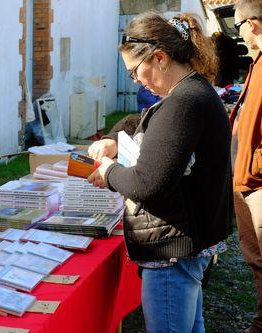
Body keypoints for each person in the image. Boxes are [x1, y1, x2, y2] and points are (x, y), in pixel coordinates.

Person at [87, 12, 233, 332]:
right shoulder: (191, 93)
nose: (135, 81)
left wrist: (109, 172)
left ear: (160, 57)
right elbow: (158, 149)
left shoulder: (183, 102)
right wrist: (116, 144)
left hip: (173, 250)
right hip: (186, 242)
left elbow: (148, 182)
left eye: (135, 72)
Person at [231, 1, 262, 332]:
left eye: (237, 27)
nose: (237, 35)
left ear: (251, 25)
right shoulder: (257, 64)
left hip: (258, 182)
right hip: (248, 179)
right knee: (256, 261)